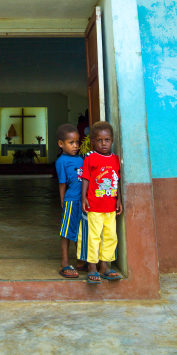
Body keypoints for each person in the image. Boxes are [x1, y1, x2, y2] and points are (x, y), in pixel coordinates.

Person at [78, 120, 123, 284]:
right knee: (93, 237)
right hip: (94, 207)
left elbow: (116, 180)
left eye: (107, 140)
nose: (103, 144)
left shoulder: (116, 159)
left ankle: (104, 266)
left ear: (112, 140)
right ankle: (92, 267)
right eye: (99, 140)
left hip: (110, 207)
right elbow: (85, 178)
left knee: (110, 236)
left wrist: (118, 199)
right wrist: (83, 198)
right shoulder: (91, 158)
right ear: (93, 141)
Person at [55, 123, 87, 278]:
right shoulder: (61, 161)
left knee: (80, 231)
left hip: (82, 201)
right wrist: (62, 201)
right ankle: (65, 262)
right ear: (61, 144)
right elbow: (62, 183)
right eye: (71, 143)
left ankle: (80, 261)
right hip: (71, 201)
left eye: (77, 142)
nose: (75, 146)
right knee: (67, 231)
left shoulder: (80, 158)